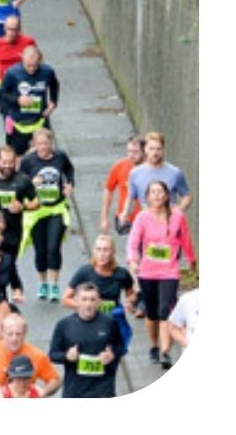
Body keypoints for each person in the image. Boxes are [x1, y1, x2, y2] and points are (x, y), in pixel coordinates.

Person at [127, 179, 196, 368]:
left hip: (169, 272)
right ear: (147, 197)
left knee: (166, 309)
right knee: (151, 312)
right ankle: (153, 346)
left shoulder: (177, 216)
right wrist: (133, 259)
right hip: (148, 272)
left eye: (160, 192)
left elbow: (186, 239)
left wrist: (192, 260)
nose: (157, 195)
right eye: (153, 192)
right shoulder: (142, 217)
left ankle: (165, 351)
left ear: (166, 195)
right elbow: (133, 241)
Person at [18, 128, 75, 300]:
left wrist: (70, 185)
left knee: (53, 246)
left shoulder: (60, 157)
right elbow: (19, 182)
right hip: (36, 210)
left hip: (56, 208)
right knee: (40, 249)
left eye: (46, 143)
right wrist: (30, 182)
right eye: (39, 144)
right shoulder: (28, 161)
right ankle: (42, 283)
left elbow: (69, 170)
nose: (43, 147)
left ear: (52, 143)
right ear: (34, 145)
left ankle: (55, 284)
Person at [61, 233, 137, 352]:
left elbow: (131, 293)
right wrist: (86, 305)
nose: (101, 254)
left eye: (106, 250)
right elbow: (65, 299)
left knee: (112, 357)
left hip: (112, 321)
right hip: (89, 322)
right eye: (98, 249)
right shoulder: (85, 272)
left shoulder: (121, 274)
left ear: (113, 252)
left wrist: (130, 302)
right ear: (94, 251)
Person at [48, 282, 125, 397]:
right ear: (76, 301)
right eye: (84, 299)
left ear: (99, 301)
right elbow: (53, 355)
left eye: (92, 300)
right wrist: (67, 356)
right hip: (75, 390)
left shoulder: (109, 322)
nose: (89, 304)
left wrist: (112, 354)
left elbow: (120, 346)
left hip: (103, 389)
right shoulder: (64, 325)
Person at [0, 311, 61, 396]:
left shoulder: (37, 355)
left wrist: (42, 393)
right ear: (2, 333)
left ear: (25, 334)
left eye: (18, 334)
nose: (14, 338)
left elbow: (55, 380)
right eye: (10, 334)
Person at [122, 130, 194, 225]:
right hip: (146, 224)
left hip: (169, 222)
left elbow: (187, 196)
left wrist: (178, 211)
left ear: (163, 150)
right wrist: (124, 215)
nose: (155, 153)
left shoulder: (175, 172)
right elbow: (131, 198)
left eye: (158, 149)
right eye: (151, 149)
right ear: (145, 149)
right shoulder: (135, 173)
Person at [100, 133, 146, 235]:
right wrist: (104, 217)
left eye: (135, 152)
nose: (131, 155)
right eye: (129, 151)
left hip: (146, 221)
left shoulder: (151, 169)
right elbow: (108, 189)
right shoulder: (119, 166)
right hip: (125, 220)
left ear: (144, 151)